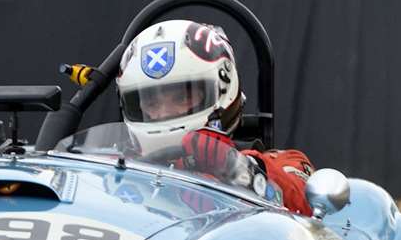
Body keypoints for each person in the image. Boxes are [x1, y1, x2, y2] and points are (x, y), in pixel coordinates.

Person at [116, 20, 316, 216]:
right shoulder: (115, 169)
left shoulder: (284, 163)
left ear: (223, 89)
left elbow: (306, 206)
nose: (165, 113)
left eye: (182, 97)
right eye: (151, 103)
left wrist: (234, 167)